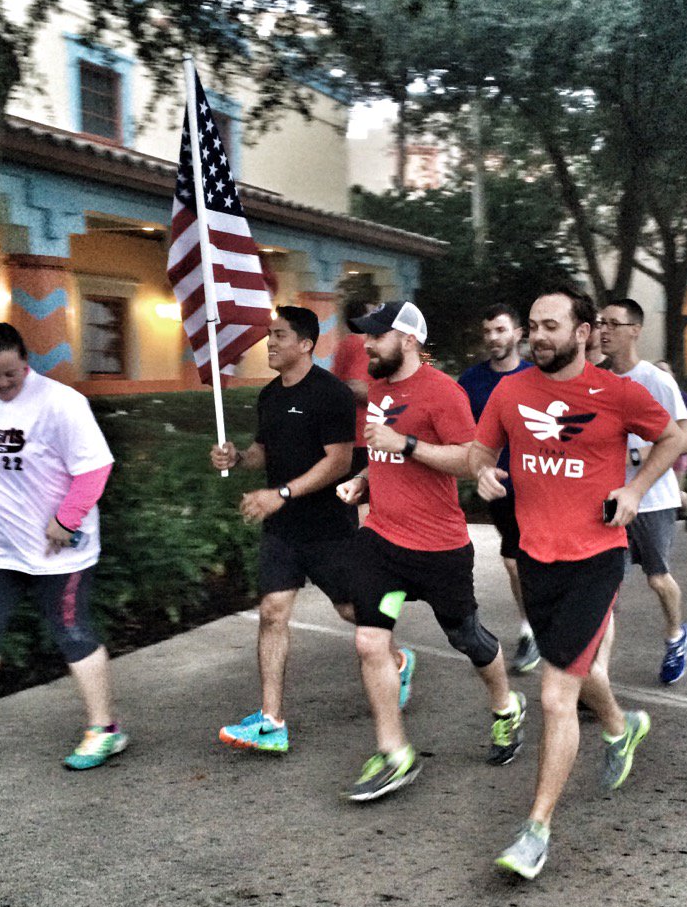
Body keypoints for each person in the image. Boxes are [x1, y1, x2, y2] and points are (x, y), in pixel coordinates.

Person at [470, 286, 684, 880]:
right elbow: (477, 450)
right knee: (581, 666)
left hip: (597, 556)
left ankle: (535, 831)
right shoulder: (512, 391)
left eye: (551, 326)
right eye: (533, 326)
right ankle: (622, 727)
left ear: (583, 331)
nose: (538, 336)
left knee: (553, 694)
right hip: (538, 560)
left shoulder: (617, 394)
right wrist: (484, 472)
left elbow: (677, 437)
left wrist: (636, 491)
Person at [336, 300, 525, 802]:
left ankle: (506, 706)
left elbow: (471, 460)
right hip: (382, 540)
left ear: (410, 341)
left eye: (377, 336)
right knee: (369, 642)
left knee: (469, 640)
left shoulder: (446, 393)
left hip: (440, 548)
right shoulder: (377, 389)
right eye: (366, 336)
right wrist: (362, 481)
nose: (367, 345)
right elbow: (381, 456)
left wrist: (407, 445)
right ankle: (395, 752)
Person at [0, 322, 123, 770]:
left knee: (72, 633)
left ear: (25, 362)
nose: (5, 383)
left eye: (12, 373)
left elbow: (95, 469)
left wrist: (65, 520)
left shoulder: (61, 404)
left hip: (60, 550)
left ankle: (105, 729)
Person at [211, 306, 414, 754]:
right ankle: (271, 721)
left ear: (305, 344)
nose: (270, 343)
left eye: (279, 335)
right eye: (269, 335)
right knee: (272, 612)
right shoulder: (268, 395)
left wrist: (279, 494)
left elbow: (339, 462)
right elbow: (263, 451)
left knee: (350, 610)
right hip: (283, 529)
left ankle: (397, 660)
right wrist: (238, 459)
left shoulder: (331, 394)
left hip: (327, 527)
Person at [599, 300, 687, 684]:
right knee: (608, 591)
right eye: (600, 323)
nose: (603, 330)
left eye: (613, 323)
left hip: (654, 498)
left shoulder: (656, 379)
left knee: (658, 578)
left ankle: (676, 636)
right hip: (610, 498)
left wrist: (638, 451)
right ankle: (598, 679)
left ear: (635, 330)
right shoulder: (596, 378)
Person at [458, 303, 539, 673]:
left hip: (541, 484)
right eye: (489, 331)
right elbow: (459, 433)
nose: (493, 338)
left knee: (532, 559)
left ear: (518, 334)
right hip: (498, 487)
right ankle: (531, 629)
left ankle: (541, 628)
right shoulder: (471, 381)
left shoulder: (537, 377)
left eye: (501, 330)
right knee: (513, 561)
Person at [331, 297, 376, 523]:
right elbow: (355, 386)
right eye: (373, 314)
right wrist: (387, 398)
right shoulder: (360, 343)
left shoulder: (344, 344)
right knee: (364, 500)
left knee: (353, 500)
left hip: (351, 435)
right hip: (363, 436)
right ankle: (364, 551)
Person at [656, 359, 687, 530]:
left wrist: (674, 425)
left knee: (672, 491)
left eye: (665, 370)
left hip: (678, 453)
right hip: (655, 450)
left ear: (673, 375)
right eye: (657, 370)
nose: (661, 374)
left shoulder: (680, 396)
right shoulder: (649, 394)